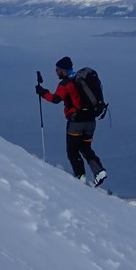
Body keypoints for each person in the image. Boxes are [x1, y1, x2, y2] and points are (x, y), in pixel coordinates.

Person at [36, 56, 108, 186]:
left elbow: (55, 99)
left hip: (76, 123)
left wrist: (42, 92)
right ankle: (99, 171)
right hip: (91, 121)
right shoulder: (79, 80)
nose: (56, 72)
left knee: (72, 151)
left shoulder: (66, 83)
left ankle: (80, 177)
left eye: (57, 70)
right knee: (86, 148)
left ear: (63, 70)